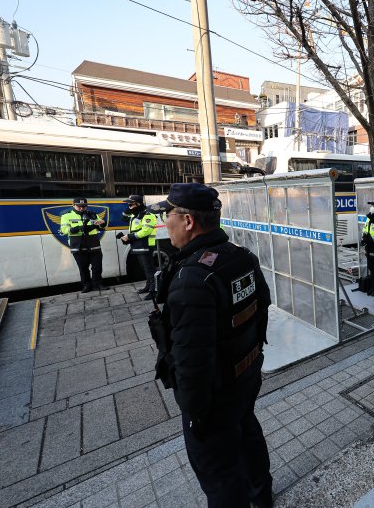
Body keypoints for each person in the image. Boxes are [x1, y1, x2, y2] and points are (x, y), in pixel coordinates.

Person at [149, 183, 273, 508]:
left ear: (188, 221)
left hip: (215, 398)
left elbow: (192, 362)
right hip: (246, 377)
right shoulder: (241, 257)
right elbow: (261, 311)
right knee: (247, 435)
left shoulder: (192, 279)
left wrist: (195, 413)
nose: (166, 224)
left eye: (168, 215)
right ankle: (262, 497)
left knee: (219, 472)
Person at [60, 197, 108, 293]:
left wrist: (102, 223)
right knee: (83, 268)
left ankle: (97, 284)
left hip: (93, 243)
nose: (82, 208)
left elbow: (100, 226)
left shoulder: (92, 214)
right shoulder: (66, 216)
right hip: (78, 245)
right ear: (73, 206)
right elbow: (64, 230)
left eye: (84, 206)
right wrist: (79, 228)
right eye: (79, 206)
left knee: (97, 266)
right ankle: (87, 285)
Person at [120, 194, 158, 300]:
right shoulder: (135, 214)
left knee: (149, 269)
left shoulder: (147, 214)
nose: (129, 205)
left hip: (146, 245)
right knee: (144, 268)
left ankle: (153, 290)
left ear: (138, 204)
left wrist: (130, 237)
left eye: (130, 204)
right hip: (137, 245)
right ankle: (148, 286)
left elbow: (146, 231)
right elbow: (123, 218)